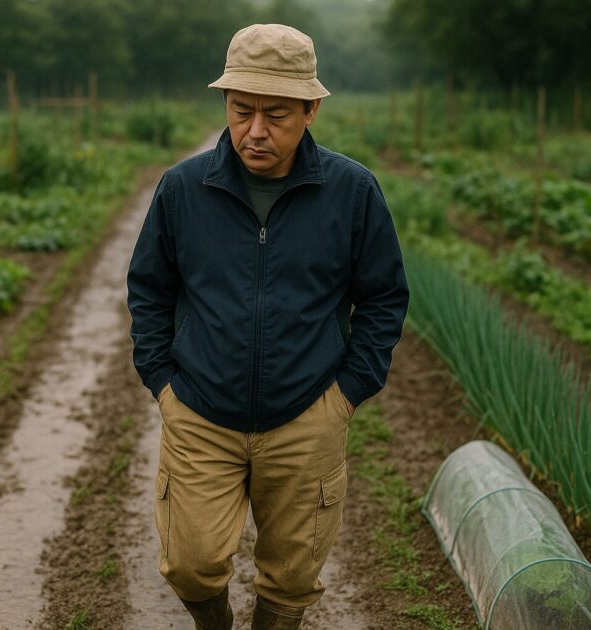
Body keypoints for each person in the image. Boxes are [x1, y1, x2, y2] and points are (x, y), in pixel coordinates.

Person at [126, 23, 409, 630]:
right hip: (200, 411)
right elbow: (149, 289)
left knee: (293, 574)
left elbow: (384, 297)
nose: (255, 131)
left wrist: (346, 394)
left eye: (276, 114)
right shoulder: (183, 189)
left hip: (307, 414)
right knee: (190, 563)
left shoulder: (352, 192)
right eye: (241, 110)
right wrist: (164, 384)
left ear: (310, 110)